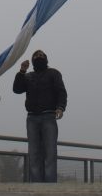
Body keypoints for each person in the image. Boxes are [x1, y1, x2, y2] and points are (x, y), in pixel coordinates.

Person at [12, 49, 66, 183]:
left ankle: (50, 186)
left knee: (50, 152)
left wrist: (60, 107)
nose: (39, 57)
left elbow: (61, 91)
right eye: (36, 55)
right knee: (34, 153)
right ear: (32, 60)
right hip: (32, 118)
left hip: (49, 116)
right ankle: (36, 185)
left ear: (46, 59)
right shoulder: (28, 76)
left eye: (41, 55)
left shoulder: (53, 73)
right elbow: (17, 89)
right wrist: (22, 71)